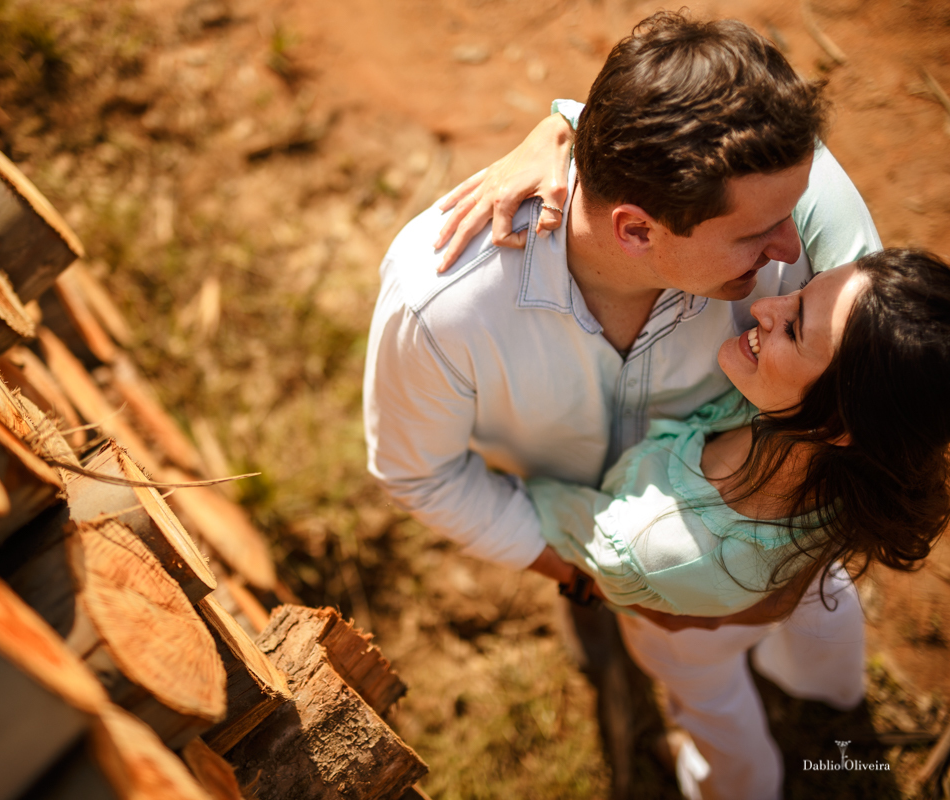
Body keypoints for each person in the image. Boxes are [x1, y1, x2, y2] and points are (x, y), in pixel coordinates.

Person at [361, 9, 881, 798]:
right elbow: (419, 474)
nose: (789, 250)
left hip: (789, 517)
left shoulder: (812, 242)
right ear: (637, 230)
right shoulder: (443, 311)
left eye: (794, 212)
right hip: (629, 552)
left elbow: (892, 401)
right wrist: (588, 576)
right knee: (705, 694)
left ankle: (837, 717)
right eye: (757, 235)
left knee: (820, 621)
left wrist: (794, 562)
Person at [523, 249, 950, 798]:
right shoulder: (869, 468)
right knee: (826, 600)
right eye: (802, 290)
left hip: (680, 630)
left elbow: (552, 516)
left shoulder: (649, 542)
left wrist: (504, 462)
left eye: (793, 329)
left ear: (837, 421)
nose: (765, 305)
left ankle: (737, 783)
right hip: (779, 582)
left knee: (716, 707)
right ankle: (830, 688)